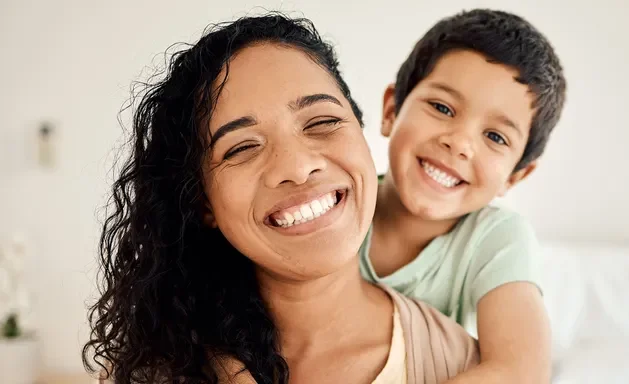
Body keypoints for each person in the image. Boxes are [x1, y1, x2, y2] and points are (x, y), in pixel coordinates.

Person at [83, 13, 478, 384]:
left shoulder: (460, 362)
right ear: (204, 203)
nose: (297, 166)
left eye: (322, 122)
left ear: (361, 133)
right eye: (241, 148)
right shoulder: (148, 370)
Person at [360, 9, 567, 383]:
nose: (459, 143)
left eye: (495, 137)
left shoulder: (495, 238)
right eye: (442, 108)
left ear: (516, 176)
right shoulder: (338, 203)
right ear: (391, 110)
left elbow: (521, 371)